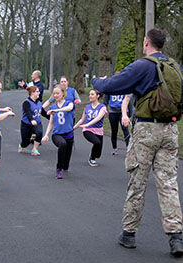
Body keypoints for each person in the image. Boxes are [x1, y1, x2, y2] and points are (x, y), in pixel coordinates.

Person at [91, 28, 183, 256]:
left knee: (137, 182)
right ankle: (176, 238)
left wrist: (96, 82)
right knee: (169, 183)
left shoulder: (143, 65)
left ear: (146, 43)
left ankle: (129, 234)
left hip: (146, 130)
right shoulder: (175, 66)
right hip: (171, 129)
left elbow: (112, 85)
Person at [42, 85, 74, 179]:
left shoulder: (69, 103)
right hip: (57, 134)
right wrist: (46, 134)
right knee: (62, 144)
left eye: (57, 93)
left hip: (69, 134)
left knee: (67, 161)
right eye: (54, 93)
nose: (55, 95)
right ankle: (58, 169)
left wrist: (57, 110)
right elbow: (51, 123)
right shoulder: (53, 107)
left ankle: (64, 167)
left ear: (63, 94)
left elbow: (69, 109)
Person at [73, 89, 107, 167]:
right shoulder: (87, 107)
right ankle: (91, 159)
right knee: (96, 142)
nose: (90, 96)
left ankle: (94, 156)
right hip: (87, 130)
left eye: (92, 94)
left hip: (99, 131)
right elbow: (82, 120)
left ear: (97, 96)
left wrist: (87, 124)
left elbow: (98, 118)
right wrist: (73, 128)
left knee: (98, 153)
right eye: (89, 94)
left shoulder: (102, 107)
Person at [18, 86, 43, 156]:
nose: (39, 93)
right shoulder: (26, 103)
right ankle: (22, 145)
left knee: (39, 132)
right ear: (32, 93)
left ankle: (34, 149)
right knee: (26, 142)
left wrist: (50, 117)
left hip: (37, 123)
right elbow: (27, 112)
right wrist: (31, 120)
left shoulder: (39, 102)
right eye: (37, 91)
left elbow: (42, 112)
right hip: (26, 124)